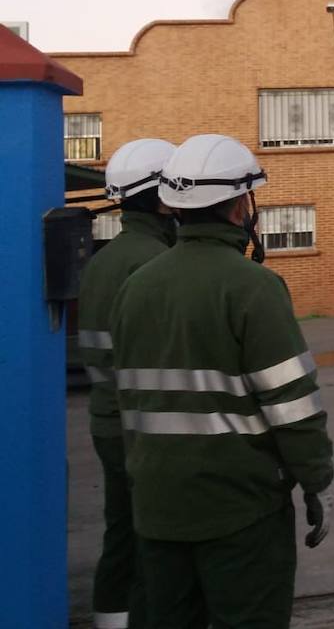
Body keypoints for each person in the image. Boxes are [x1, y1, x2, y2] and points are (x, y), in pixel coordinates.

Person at [110, 134, 334, 629]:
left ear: (174, 205)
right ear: (239, 207)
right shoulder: (253, 288)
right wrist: (316, 481)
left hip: (156, 506)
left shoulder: (135, 287)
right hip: (240, 511)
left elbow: (127, 399)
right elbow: (292, 405)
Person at [78, 138, 179, 629]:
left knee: (121, 533)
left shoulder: (103, 261)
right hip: (147, 432)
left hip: (107, 420)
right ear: (163, 200)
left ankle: (109, 618)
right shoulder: (157, 265)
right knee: (158, 543)